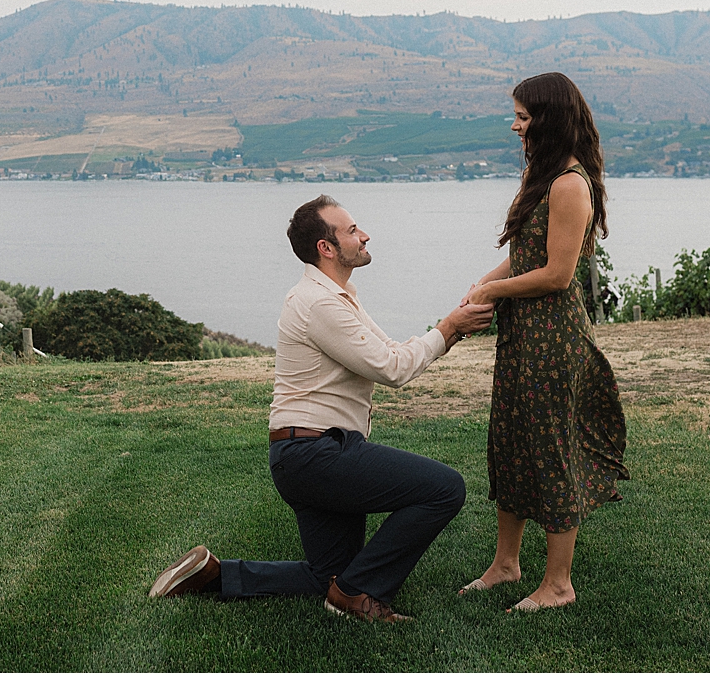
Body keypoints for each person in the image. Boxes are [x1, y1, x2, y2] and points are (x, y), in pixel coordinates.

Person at [150, 195, 494, 622]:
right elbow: (392, 369)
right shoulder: (320, 303)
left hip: (303, 455)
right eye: (351, 230)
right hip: (318, 454)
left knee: (328, 576)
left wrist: (452, 326)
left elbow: (387, 351)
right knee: (444, 489)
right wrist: (450, 328)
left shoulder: (338, 295)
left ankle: (215, 575)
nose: (364, 234)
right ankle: (359, 596)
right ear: (326, 248)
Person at [459, 72, 629, 612]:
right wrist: (485, 281)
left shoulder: (570, 184)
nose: (515, 126)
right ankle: (505, 565)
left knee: (551, 452)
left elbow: (558, 273)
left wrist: (494, 289)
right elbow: (526, 253)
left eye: (524, 117)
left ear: (549, 118)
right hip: (521, 337)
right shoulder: (541, 173)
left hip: (554, 340)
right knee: (510, 443)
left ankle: (558, 585)